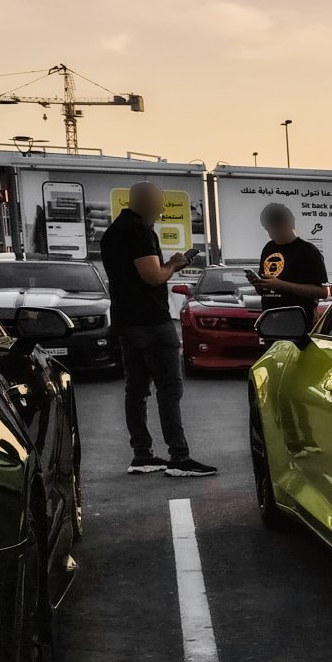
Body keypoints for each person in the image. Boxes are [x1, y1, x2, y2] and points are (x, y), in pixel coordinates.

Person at [99, 182, 217, 477]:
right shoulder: (139, 231)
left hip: (126, 322)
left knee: (136, 390)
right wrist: (175, 264)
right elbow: (153, 276)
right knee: (169, 389)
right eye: (159, 204)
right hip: (151, 322)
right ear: (146, 202)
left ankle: (142, 455)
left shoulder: (112, 233)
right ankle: (179, 457)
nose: (162, 209)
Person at [249, 203, 328, 316]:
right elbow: (264, 291)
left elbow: (322, 292)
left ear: (287, 224)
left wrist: (281, 285)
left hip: (298, 320)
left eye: (273, 228)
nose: (270, 233)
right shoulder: (268, 248)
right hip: (269, 317)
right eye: (267, 228)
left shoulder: (308, 251)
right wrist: (259, 284)